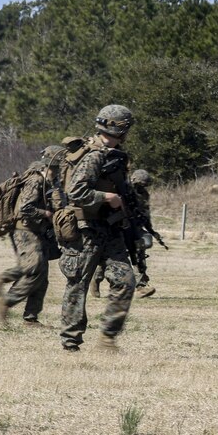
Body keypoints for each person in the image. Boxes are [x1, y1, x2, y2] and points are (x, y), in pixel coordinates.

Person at [57, 105, 138, 353]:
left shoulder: (113, 154)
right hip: (86, 231)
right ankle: (71, 342)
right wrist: (107, 197)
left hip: (109, 229)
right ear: (120, 128)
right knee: (78, 284)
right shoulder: (94, 155)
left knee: (125, 280)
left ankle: (107, 338)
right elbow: (76, 192)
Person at [0, 145, 66, 327]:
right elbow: (26, 208)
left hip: (38, 231)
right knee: (34, 270)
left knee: (42, 277)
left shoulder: (50, 181)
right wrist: (46, 214)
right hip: (25, 231)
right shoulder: (36, 181)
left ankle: (31, 318)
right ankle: (6, 302)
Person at [92, 168, 157, 299]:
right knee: (112, 258)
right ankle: (97, 279)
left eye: (144, 185)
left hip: (134, 228)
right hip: (119, 227)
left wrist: (148, 229)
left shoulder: (143, 195)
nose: (142, 187)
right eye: (140, 184)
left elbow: (145, 212)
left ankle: (141, 285)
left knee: (139, 254)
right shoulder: (122, 190)